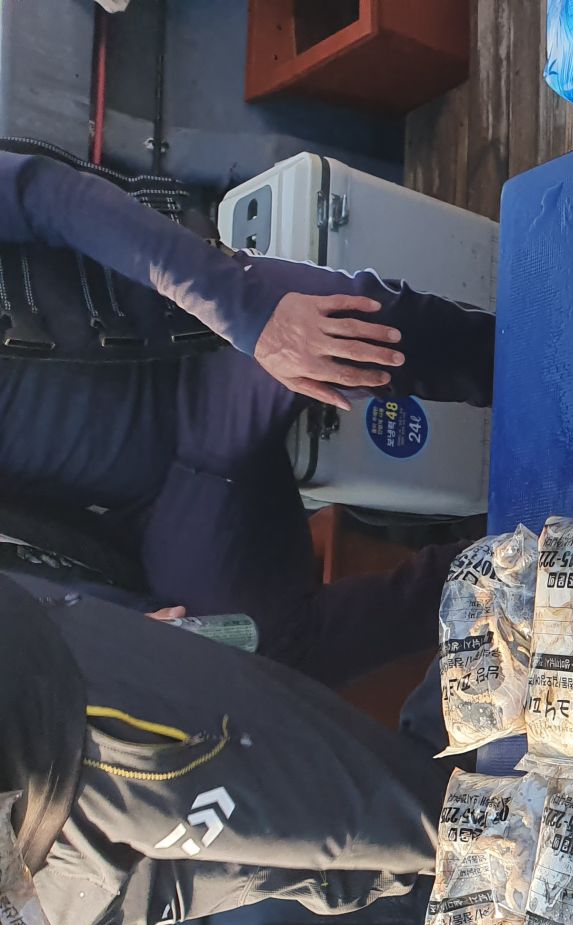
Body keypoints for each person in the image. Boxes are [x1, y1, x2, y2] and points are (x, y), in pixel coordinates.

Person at [0, 139, 493, 687]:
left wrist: (254, 317)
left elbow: (49, 194)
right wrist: (119, 626)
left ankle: (544, 367)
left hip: (195, 341)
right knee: (254, 647)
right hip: (158, 508)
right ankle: (520, 569)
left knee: (364, 331)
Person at [2, 571, 447, 925]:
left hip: (53, 736)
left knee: (425, 822)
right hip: (34, 892)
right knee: (352, 866)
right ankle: (477, 626)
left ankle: (481, 596)